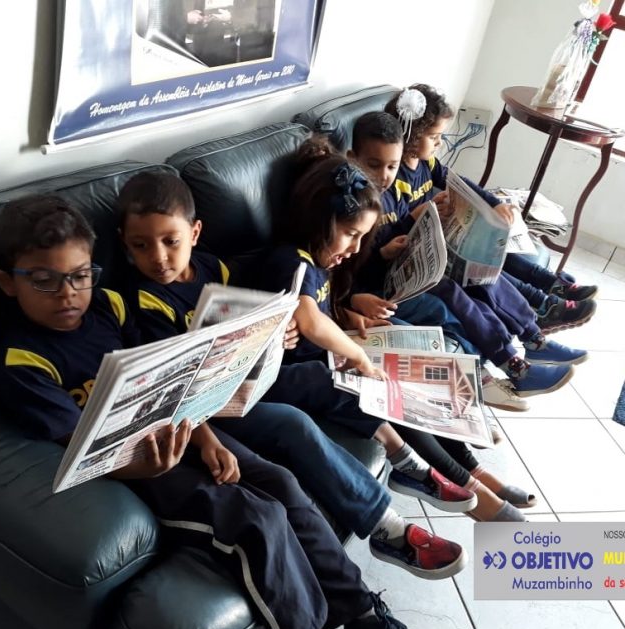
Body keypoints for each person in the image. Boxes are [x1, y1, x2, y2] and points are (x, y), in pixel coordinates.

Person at [0, 193, 423, 629]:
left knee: (281, 483)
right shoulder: (21, 361)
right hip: (136, 468)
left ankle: (364, 615)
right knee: (258, 517)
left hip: (181, 428)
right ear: (6, 282)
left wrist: (207, 439)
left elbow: (167, 383)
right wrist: (146, 466)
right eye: (44, 280)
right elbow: (82, 448)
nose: (67, 294)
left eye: (80, 276)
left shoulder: (108, 305)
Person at [116, 171, 471, 580]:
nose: (158, 257)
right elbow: (172, 384)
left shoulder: (214, 268)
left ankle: (406, 457)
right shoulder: (140, 302)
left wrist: (279, 330)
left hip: (246, 376)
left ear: (195, 233)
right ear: (124, 243)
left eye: (170, 241)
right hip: (206, 406)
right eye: (141, 246)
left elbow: (255, 308)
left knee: (325, 377)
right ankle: (388, 529)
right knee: (293, 423)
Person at [260, 143, 532, 522]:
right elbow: (309, 319)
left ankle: (473, 469)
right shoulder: (290, 259)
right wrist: (357, 355)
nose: (355, 248)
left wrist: (349, 314)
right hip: (305, 369)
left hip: (330, 350)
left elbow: (320, 307)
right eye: (351, 235)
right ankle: (475, 492)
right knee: (386, 391)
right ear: (318, 220)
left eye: (362, 237)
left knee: (410, 364)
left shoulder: (321, 261)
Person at [373, 87, 590, 393]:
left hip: (428, 252)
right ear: (410, 135)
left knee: (482, 267)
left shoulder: (426, 164)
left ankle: (534, 337)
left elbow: (457, 181)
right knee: (463, 292)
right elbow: (383, 238)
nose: (439, 142)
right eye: (434, 136)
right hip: (404, 273)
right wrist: (416, 217)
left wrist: (492, 203)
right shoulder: (389, 183)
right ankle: (516, 362)